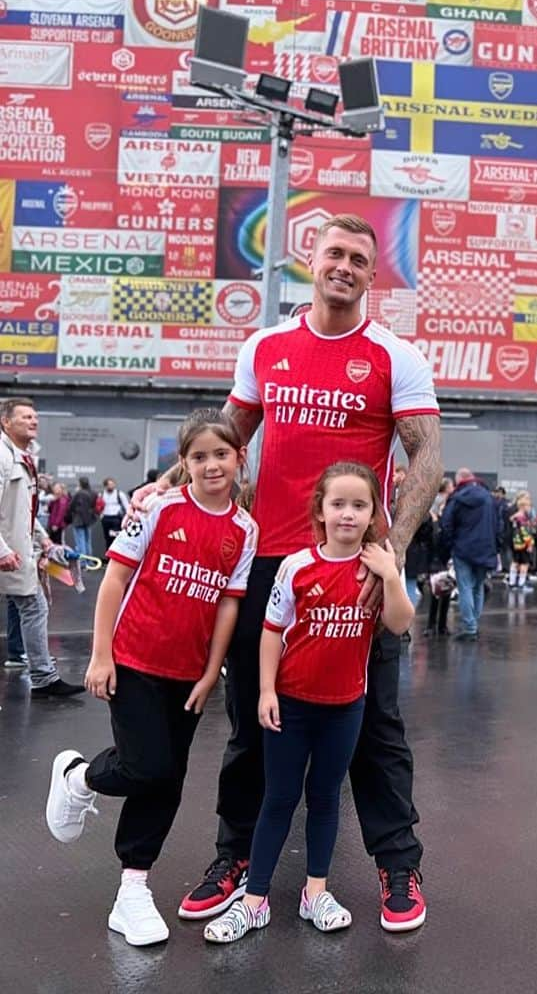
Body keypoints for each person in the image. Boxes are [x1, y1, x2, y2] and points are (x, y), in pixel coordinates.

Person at [134, 214, 441, 932]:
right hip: (270, 562)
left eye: (359, 259)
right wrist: (168, 482)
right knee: (252, 722)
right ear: (312, 259)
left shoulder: (395, 356)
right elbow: (230, 436)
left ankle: (398, 864)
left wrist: (387, 553)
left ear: (372, 274)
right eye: (334, 253)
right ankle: (236, 856)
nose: (345, 267)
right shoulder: (266, 346)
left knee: (375, 727)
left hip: (354, 564)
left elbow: (426, 455)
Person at [44, 409, 257, 947]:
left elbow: (228, 607)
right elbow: (114, 580)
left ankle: (132, 890)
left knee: (168, 780)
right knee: (146, 766)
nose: (211, 465)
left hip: (189, 675)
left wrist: (212, 674)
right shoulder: (159, 508)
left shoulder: (244, 529)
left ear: (239, 457)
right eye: (199, 456)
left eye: (221, 454)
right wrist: (101, 655)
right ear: (183, 463)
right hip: (134, 659)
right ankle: (78, 778)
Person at [204, 462, 414, 943]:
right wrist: (265, 691)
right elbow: (272, 632)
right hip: (292, 707)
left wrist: (391, 575)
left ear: (372, 513)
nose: (348, 514)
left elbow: (400, 624)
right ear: (320, 510)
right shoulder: (296, 566)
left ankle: (315, 892)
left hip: (345, 708)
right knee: (278, 798)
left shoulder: (375, 568)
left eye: (359, 505)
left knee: (324, 798)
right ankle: (254, 899)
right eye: (337, 504)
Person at [0, 398, 84, 698]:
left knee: (34, 605)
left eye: (35, 417)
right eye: (25, 417)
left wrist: (44, 539)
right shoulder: (2, 455)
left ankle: (43, 677)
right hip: (9, 553)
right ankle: (43, 677)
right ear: (5, 422)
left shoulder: (25, 457)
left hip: (19, 551)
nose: (33, 421)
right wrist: (3, 551)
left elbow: (25, 510)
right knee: (33, 606)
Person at [439, 468, 500, 640]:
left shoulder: (457, 498)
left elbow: (447, 524)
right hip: (486, 549)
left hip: (463, 549)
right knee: (478, 587)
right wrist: (496, 548)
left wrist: (448, 547)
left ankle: (469, 627)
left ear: (459, 481)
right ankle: (474, 623)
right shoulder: (489, 498)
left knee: (464, 586)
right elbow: (498, 525)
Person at [508, 491, 536, 592]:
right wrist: (530, 543)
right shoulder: (523, 518)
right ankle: (521, 584)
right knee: (524, 563)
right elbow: (525, 532)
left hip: (516, 543)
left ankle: (512, 582)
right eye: (529, 504)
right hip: (524, 544)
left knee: (515, 562)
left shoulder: (515, 516)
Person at [68, 476, 99, 558]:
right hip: (89, 519)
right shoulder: (93, 493)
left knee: (80, 541)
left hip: (79, 520)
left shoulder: (79, 493)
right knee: (88, 541)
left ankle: (83, 562)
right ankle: (90, 561)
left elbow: (71, 505)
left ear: (80, 483)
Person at [99, 478, 130, 550]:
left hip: (115, 519)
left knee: (115, 537)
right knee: (107, 538)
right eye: (109, 485)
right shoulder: (102, 494)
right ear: (105, 486)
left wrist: (127, 518)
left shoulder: (119, 494)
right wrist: (101, 515)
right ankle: (108, 556)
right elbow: (99, 506)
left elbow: (127, 506)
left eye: (112, 484)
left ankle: (115, 553)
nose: (111, 486)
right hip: (106, 518)